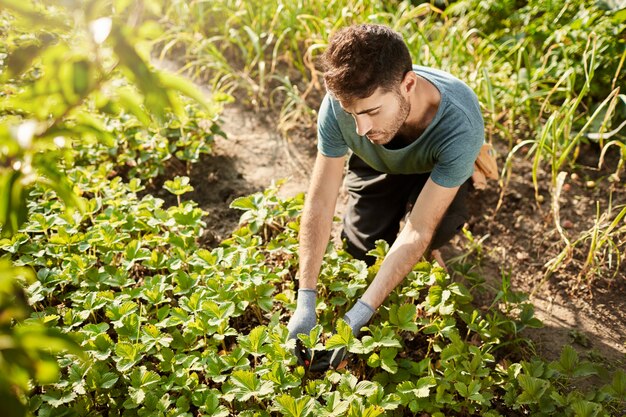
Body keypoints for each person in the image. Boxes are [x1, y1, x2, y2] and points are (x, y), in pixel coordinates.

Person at [287, 23, 485, 370]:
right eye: (352, 114)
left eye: (372, 112)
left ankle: (448, 217)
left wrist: (359, 316)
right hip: (378, 160)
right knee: (359, 250)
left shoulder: (460, 122)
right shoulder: (340, 108)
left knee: (433, 233)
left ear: (408, 84)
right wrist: (306, 299)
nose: (359, 129)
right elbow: (320, 200)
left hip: (434, 167)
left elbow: (418, 228)